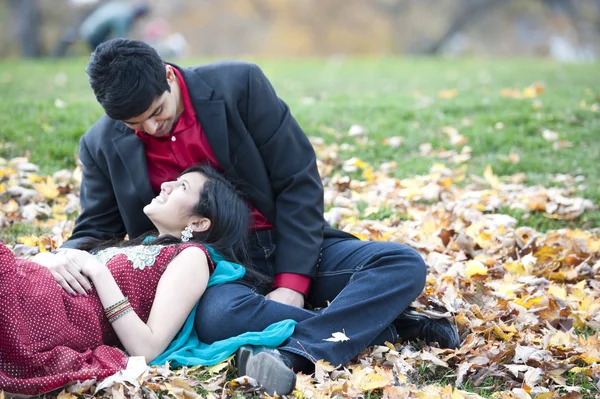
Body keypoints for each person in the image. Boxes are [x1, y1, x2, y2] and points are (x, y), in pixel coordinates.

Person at [45, 39, 460, 395]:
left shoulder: (239, 85)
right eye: (136, 124)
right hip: (204, 271)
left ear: (169, 76)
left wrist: (293, 285)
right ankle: (388, 326)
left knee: (400, 262)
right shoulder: (99, 144)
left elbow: (298, 180)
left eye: (157, 111)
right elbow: (96, 225)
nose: (152, 127)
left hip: (283, 243)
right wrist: (62, 255)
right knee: (217, 319)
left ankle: (296, 352)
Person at [0, 165, 297, 396]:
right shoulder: (142, 244)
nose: (165, 185)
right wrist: (46, 259)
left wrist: (98, 271)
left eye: (181, 186)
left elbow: (149, 347)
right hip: (29, 286)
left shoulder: (192, 258)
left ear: (198, 223)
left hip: (44, 316)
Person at [79, 1, 150, 51]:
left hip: (88, 28)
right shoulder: (124, 16)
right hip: (92, 32)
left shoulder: (124, 8)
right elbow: (121, 38)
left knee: (103, 55)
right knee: (101, 57)